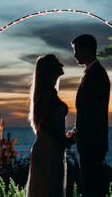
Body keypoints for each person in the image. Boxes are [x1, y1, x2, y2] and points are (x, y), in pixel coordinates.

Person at [68, 34, 110, 197]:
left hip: (92, 141)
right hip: (90, 141)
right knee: (90, 185)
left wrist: (80, 134)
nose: (75, 55)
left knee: (93, 186)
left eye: (77, 50)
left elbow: (92, 112)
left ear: (87, 50)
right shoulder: (92, 73)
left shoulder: (97, 75)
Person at [26, 54, 72, 197]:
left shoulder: (48, 92)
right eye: (58, 63)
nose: (62, 65)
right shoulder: (49, 93)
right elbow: (45, 122)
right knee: (49, 189)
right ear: (51, 69)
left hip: (51, 147)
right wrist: (63, 139)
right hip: (49, 149)